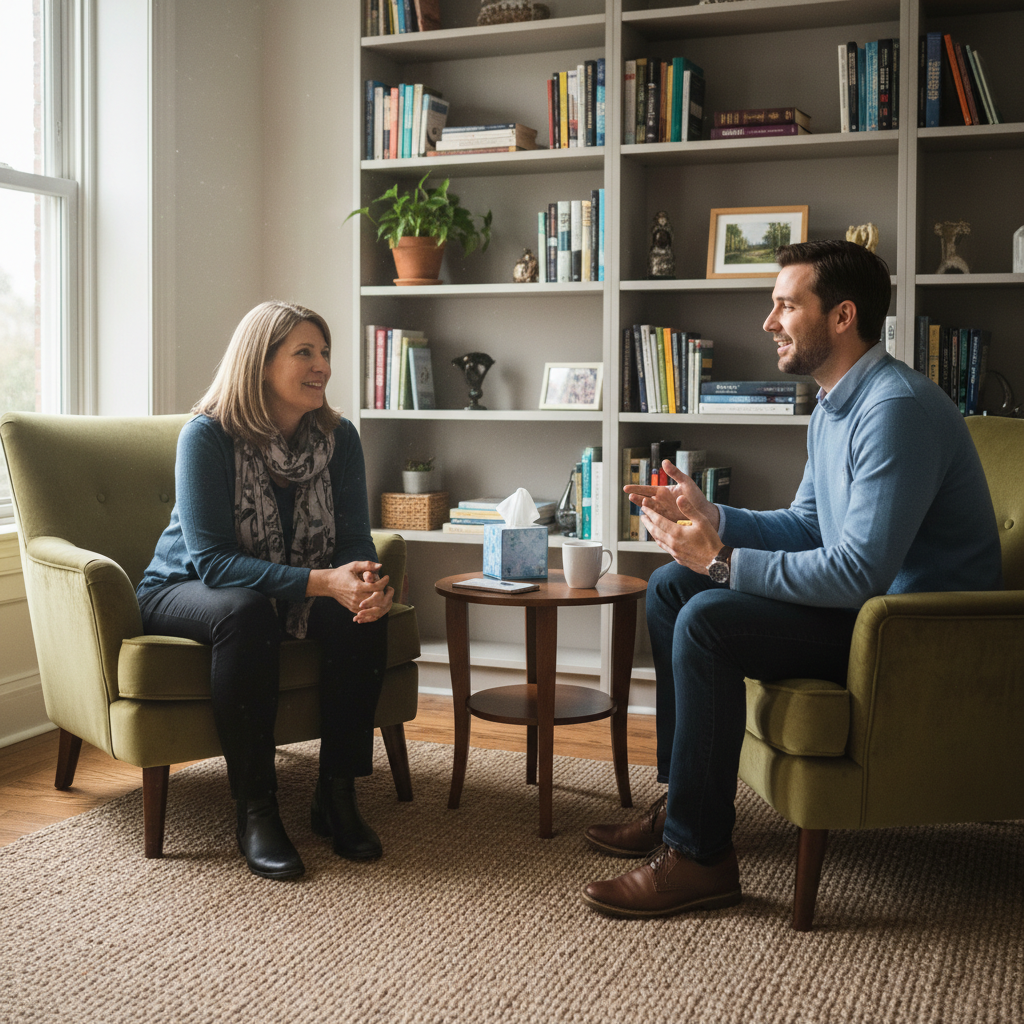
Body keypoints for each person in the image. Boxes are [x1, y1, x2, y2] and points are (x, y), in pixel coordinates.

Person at [581, 239, 1003, 918]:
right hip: (868, 612)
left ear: (841, 317)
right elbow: (808, 525)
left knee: (708, 618)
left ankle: (700, 858)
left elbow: (858, 570)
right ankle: (682, 805)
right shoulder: (837, 403)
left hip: (913, 635)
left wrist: (720, 561)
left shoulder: (894, 409)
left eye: (785, 304)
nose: (768, 321)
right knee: (669, 589)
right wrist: (711, 515)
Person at [136, 300, 393, 881]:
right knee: (247, 612)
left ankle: (337, 796)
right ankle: (256, 810)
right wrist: (322, 582)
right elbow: (214, 562)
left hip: (283, 584)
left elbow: (354, 537)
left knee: (358, 613)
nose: (322, 366)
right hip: (185, 586)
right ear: (260, 362)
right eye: (304, 352)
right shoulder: (207, 435)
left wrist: (366, 582)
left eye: (325, 353)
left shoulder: (338, 438)